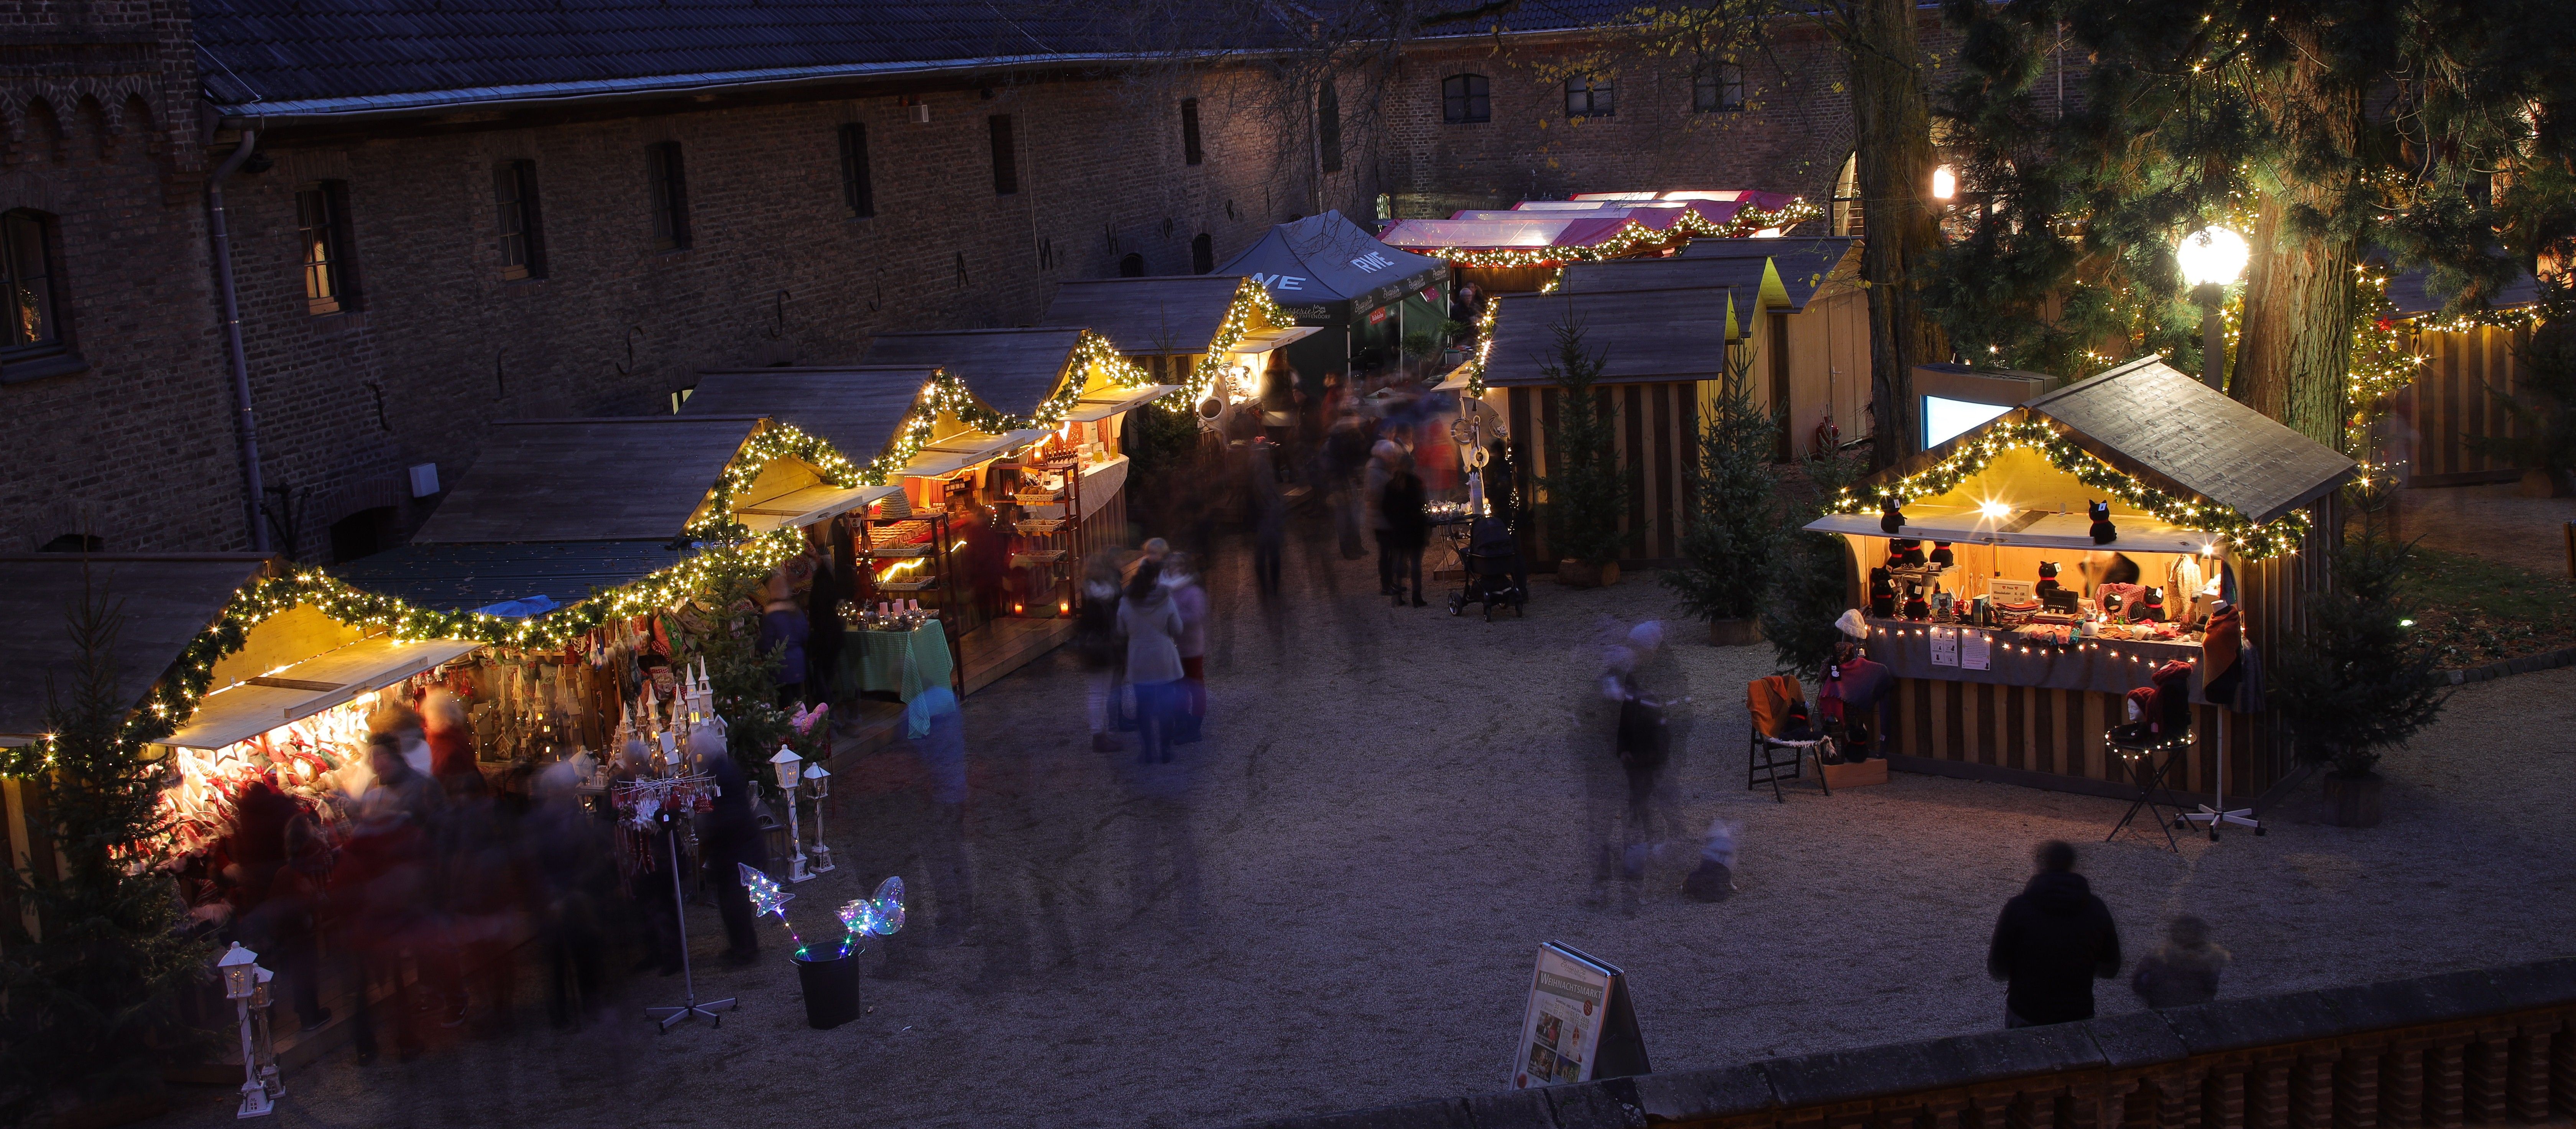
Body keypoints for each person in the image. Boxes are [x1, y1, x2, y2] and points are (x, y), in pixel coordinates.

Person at [1986, 840, 2123, 1027]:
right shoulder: (2097, 909)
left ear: (2042, 864)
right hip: (2078, 1013)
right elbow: (2111, 968)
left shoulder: (2018, 908)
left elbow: (1998, 968)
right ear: (2072, 864)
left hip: (2027, 1011)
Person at [695, 730, 770, 964]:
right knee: (731, 903)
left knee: (735, 903)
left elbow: (729, 814)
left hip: (736, 850)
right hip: (735, 848)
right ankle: (742, 947)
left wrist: (709, 829)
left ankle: (745, 950)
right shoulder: (721, 769)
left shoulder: (721, 773)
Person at [1117, 559, 1185, 764]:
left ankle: (1148, 752)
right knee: (1165, 707)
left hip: (1140, 660)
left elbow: (1121, 630)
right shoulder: (1165, 599)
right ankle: (1165, 750)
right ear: (1155, 578)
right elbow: (1178, 629)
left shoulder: (1127, 601)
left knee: (1144, 709)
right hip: (1164, 660)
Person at [1076, 551, 1125, 752]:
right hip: (1099, 649)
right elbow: (1093, 624)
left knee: (1102, 693)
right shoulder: (1098, 596)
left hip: (1102, 647)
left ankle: (1102, 732)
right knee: (1099, 693)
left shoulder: (1101, 593)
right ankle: (1099, 735)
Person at [2131, 915, 2229, 1008]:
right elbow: (2210, 989)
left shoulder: (2159, 957)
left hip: (2165, 1012)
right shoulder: (2212, 959)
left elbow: (2140, 984)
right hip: (2198, 1015)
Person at [1163, 552, 1209, 742]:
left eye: (1179, 565)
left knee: (1195, 686)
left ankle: (1195, 727)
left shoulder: (1194, 591)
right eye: (1172, 564)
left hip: (1191, 646)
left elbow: (1197, 616)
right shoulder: (1166, 588)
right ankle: (1183, 722)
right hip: (1173, 646)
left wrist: (1174, 618)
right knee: (1178, 687)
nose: (1175, 568)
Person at [1383, 451, 1428, 606]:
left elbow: (1385, 508)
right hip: (1415, 528)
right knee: (1416, 563)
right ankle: (1417, 595)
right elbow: (1423, 504)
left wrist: (1393, 522)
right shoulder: (1416, 483)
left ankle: (1398, 596)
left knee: (1399, 561)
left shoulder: (1391, 485)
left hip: (1398, 529)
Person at [1248, 441, 1286, 598]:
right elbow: (1270, 496)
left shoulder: (1256, 470)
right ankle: (1272, 587)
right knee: (1272, 554)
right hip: (1268, 517)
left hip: (1264, 518)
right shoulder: (1264, 470)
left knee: (1263, 555)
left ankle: (1267, 588)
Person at [1365, 438, 1404, 595]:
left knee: (1391, 552)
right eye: (1392, 456)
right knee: (1386, 552)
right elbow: (1376, 495)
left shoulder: (1383, 468)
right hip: (1381, 519)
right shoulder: (1375, 470)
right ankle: (1386, 585)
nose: (1394, 459)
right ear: (1386, 455)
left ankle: (1391, 583)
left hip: (1386, 518)